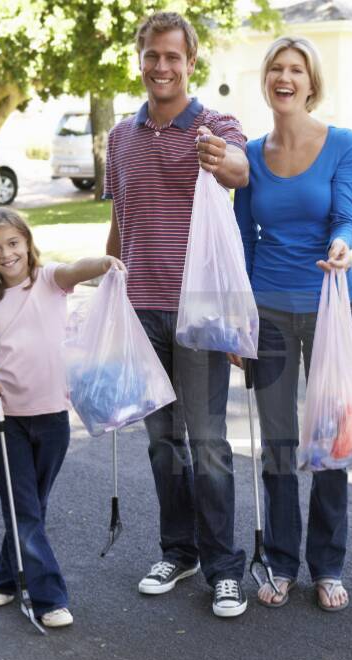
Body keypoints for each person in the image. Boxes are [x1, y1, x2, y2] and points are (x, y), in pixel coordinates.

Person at [104, 12, 250, 618]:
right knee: (163, 444)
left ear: (191, 62)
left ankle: (222, 567)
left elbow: (242, 170)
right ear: (139, 60)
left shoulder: (215, 125)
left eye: (173, 57)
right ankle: (178, 550)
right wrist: (106, 293)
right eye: (151, 56)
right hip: (140, 310)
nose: (162, 67)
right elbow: (120, 220)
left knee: (209, 443)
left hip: (200, 314)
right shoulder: (119, 137)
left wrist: (219, 158)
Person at [234, 37, 352, 611]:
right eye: (277, 69)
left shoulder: (342, 144)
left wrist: (342, 244)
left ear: (312, 83)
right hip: (267, 313)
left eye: (297, 70)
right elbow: (241, 239)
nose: (285, 77)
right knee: (279, 442)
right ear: (267, 81)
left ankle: (328, 565)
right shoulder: (249, 154)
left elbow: (346, 216)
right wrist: (238, 319)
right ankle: (282, 561)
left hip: (332, 308)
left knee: (332, 437)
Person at [0, 207, 125, 628]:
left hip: (52, 418)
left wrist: (104, 263)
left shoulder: (49, 280)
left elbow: (75, 269)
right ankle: (49, 598)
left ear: (27, 243)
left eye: (13, 243)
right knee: (25, 508)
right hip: (6, 418)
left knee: (32, 505)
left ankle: (6, 576)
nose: (6, 254)